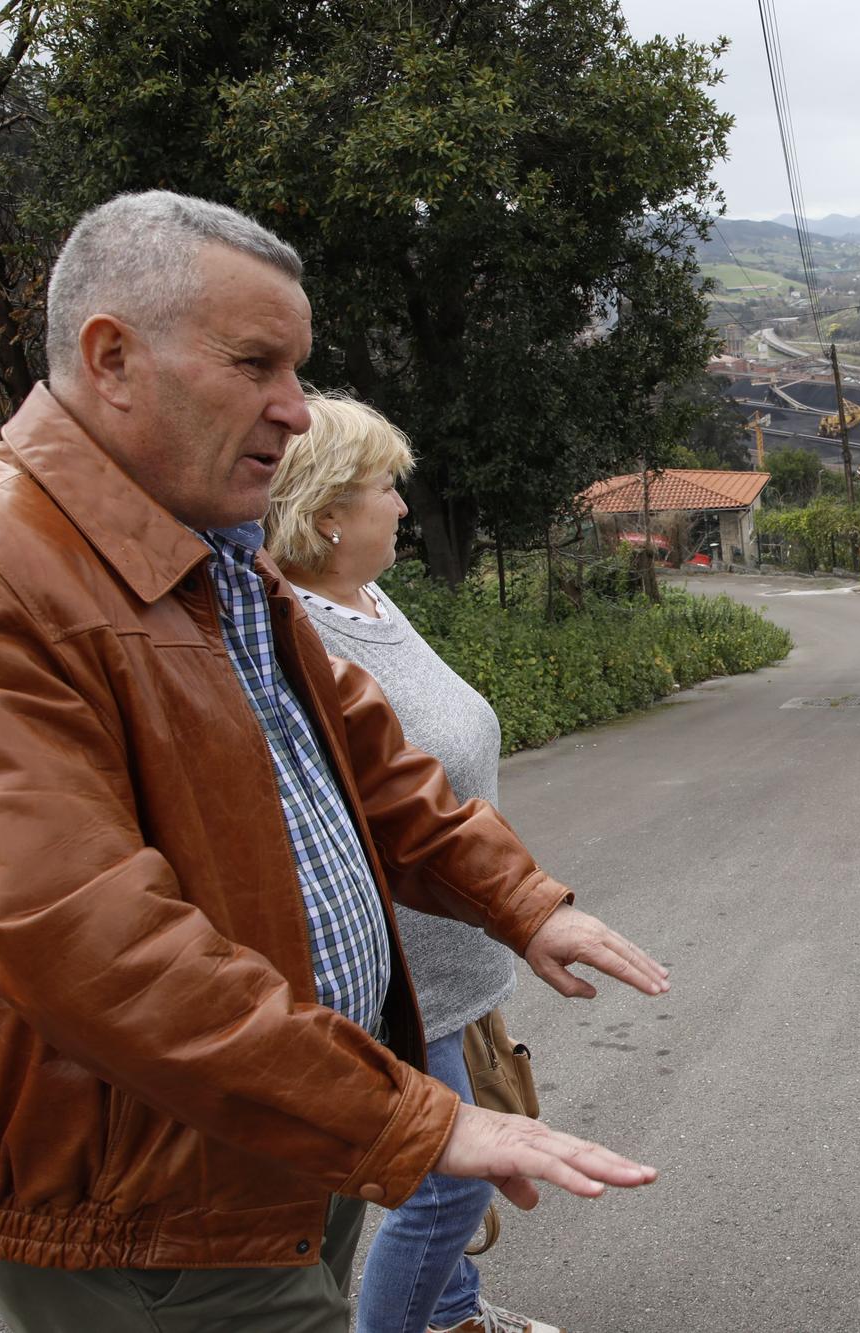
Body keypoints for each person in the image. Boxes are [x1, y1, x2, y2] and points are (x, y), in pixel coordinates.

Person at [0, 191, 667, 1333]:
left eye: (296, 370)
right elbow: (92, 943)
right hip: (153, 1201)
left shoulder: (207, 546)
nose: (296, 413)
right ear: (112, 357)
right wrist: (415, 1121)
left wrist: (518, 902)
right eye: (257, 364)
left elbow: (367, 759)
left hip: (280, 1133)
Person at [263, 394, 542, 1333]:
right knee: (443, 1191)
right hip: (395, 972)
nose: (402, 507)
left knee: (464, 1168)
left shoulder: (370, 600)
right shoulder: (295, 628)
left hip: (454, 950)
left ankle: (453, 1314)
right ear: (329, 511)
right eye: (387, 487)